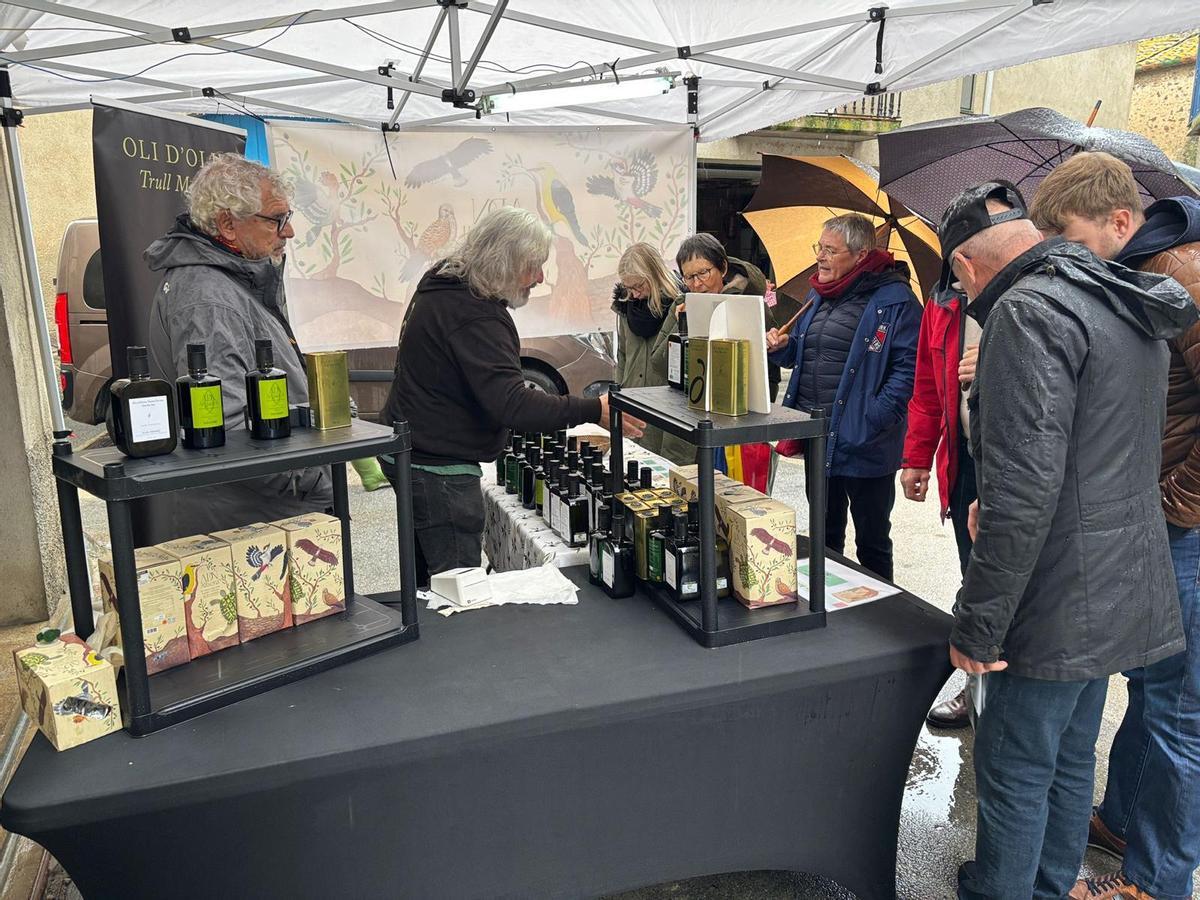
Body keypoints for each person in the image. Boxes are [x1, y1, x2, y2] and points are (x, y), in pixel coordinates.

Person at [940, 180, 1195, 900]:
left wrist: (978, 627)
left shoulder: (1026, 313)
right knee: (1070, 755)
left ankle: (1003, 890)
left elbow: (1026, 494)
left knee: (1016, 768)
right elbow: (1095, 446)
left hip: (1055, 592)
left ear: (967, 267)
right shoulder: (1119, 296)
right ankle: (1049, 886)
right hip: (1120, 579)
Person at [1030, 150, 1200, 900]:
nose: (1058, 256)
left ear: (1121, 221)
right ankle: (1123, 820)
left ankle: (1154, 885)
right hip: (1150, 520)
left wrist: (1174, 502)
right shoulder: (1130, 275)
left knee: (1180, 712)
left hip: (1182, 530)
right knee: (1151, 681)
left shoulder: (1185, 276)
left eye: (1066, 237)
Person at [380, 206, 640, 588]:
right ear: (503, 262)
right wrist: (592, 410)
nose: (539, 278)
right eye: (532, 266)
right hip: (438, 469)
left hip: (411, 450)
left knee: (428, 583)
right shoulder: (476, 315)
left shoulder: (446, 285)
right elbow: (513, 404)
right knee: (456, 590)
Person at [145, 153, 333, 538]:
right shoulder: (207, 296)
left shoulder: (229, 281)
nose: (289, 232)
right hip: (249, 521)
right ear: (228, 224)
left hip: (259, 512)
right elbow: (226, 427)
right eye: (276, 219)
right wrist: (311, 479)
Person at [765, 214, 921, 581]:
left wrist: (872, 417)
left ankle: (880, 620)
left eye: (830, 251)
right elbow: (803, 354)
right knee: (823, 534)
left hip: (866, 440)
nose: (820, 257)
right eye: (819, 248)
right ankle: (828, 610)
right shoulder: (817, 295)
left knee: (872, 541)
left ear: (861, 253)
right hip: (818, 435)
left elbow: (908, 371)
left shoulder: (896, 301)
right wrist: (782, 347)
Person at [901, 286, 979, 729]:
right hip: (965, 456)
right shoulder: (943, 302)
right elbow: (927, 388)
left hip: (1019, 457)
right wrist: (917, 458)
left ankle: (1008, 693)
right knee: (973, 576)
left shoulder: (1028, 291)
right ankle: (975, 689)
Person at [677, 233, 779, 491]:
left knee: (738, 496)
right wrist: (678, 323)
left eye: (703, 273)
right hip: (704, 412)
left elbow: (770, 373)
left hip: (742, 419)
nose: (697, 284)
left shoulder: (751, 303)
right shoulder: (687, 303)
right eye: (689, 277)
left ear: (722, 267)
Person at [613, 243, 693, 464]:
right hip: (632, 401)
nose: (634, 294)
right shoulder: (625, 306)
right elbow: (622, 356)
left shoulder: (679, 307)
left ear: (655, 274)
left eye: (639, 285)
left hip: (668, 405)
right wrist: (618, 397)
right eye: (628, 288)